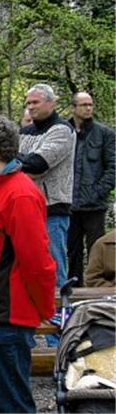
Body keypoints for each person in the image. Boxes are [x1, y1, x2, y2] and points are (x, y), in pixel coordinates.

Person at [0, 115, 56, 412]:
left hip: (7, 317)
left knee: (11, 405)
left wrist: (43, 309)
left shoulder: (19, 194)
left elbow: (38, 262)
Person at [18, 84, 75, 291]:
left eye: (35, 102)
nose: (30, 107)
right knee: (26, 265)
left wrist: (20, 163)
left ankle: (61, 314)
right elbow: (10, 162)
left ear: (51, 103)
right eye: (28, 103)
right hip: (24, 206)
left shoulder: (62, 130)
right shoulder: (24, 132)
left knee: (54, 265)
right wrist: (22, 163)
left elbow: (38, 164)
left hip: (52, 209)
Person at [68, 92, 115, 287]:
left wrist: (97, 191)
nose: (88, 108)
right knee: (72, 253)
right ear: (74, 107)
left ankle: (97, 292)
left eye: (90, 104)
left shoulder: (104, 134)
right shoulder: (64, 132)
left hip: (94, 205)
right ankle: (73, 293)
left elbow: (113, 167)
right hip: (69, 205)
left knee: (98, 250)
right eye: (84, 105)